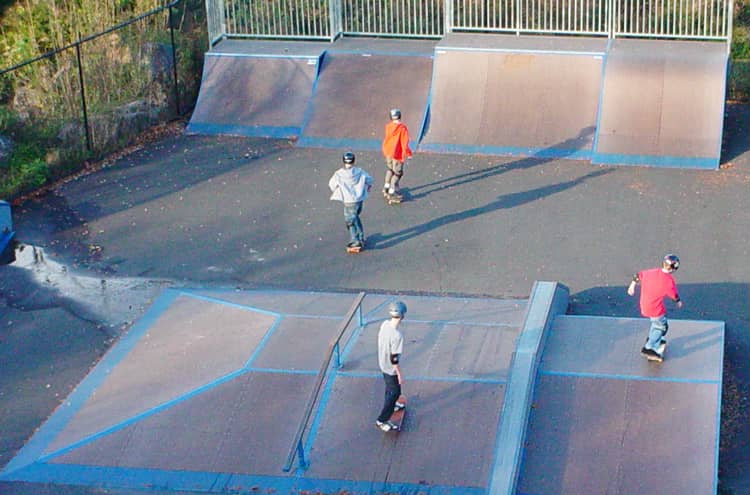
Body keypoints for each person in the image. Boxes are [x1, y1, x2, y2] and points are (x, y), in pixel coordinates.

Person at [627, 254, 683, 362]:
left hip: (644, 305)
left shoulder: (651, 272)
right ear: (674, 268)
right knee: (661, 326)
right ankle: (649, 347)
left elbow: (637, 275)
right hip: (655, 309)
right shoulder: (668, 281)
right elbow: (673, 295)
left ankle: (654, 339)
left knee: (655, 323)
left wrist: (632, 286)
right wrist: (678, 302)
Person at [328, 151, 372, 250]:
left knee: (350, 221)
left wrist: (339, 190)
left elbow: (332, 185)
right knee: (355, 217)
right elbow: (369, 180)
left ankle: (355, 241)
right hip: (359, 200)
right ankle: (361, 237)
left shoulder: (339, 174)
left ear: (344, 161)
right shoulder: (360, 171)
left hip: (348, 201)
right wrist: (367, 187)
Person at [376, 301, 407, 432]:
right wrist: (399, 374)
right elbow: (394, 359)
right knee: (394, 393)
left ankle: (393, 404)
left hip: (382, 363)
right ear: (402, 316)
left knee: (393, 390)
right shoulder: (397, 335)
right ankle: (382, 420)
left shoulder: (384, 324)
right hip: (390, 368)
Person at [381, 108, 412, 200]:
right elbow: (404, 143)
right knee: (398, 173)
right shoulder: (402, 128)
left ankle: (386, 186)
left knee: (390, 169)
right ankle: (392, 191)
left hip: (388, 152)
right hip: (397, 154)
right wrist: (408, 153)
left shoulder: (388, 126)